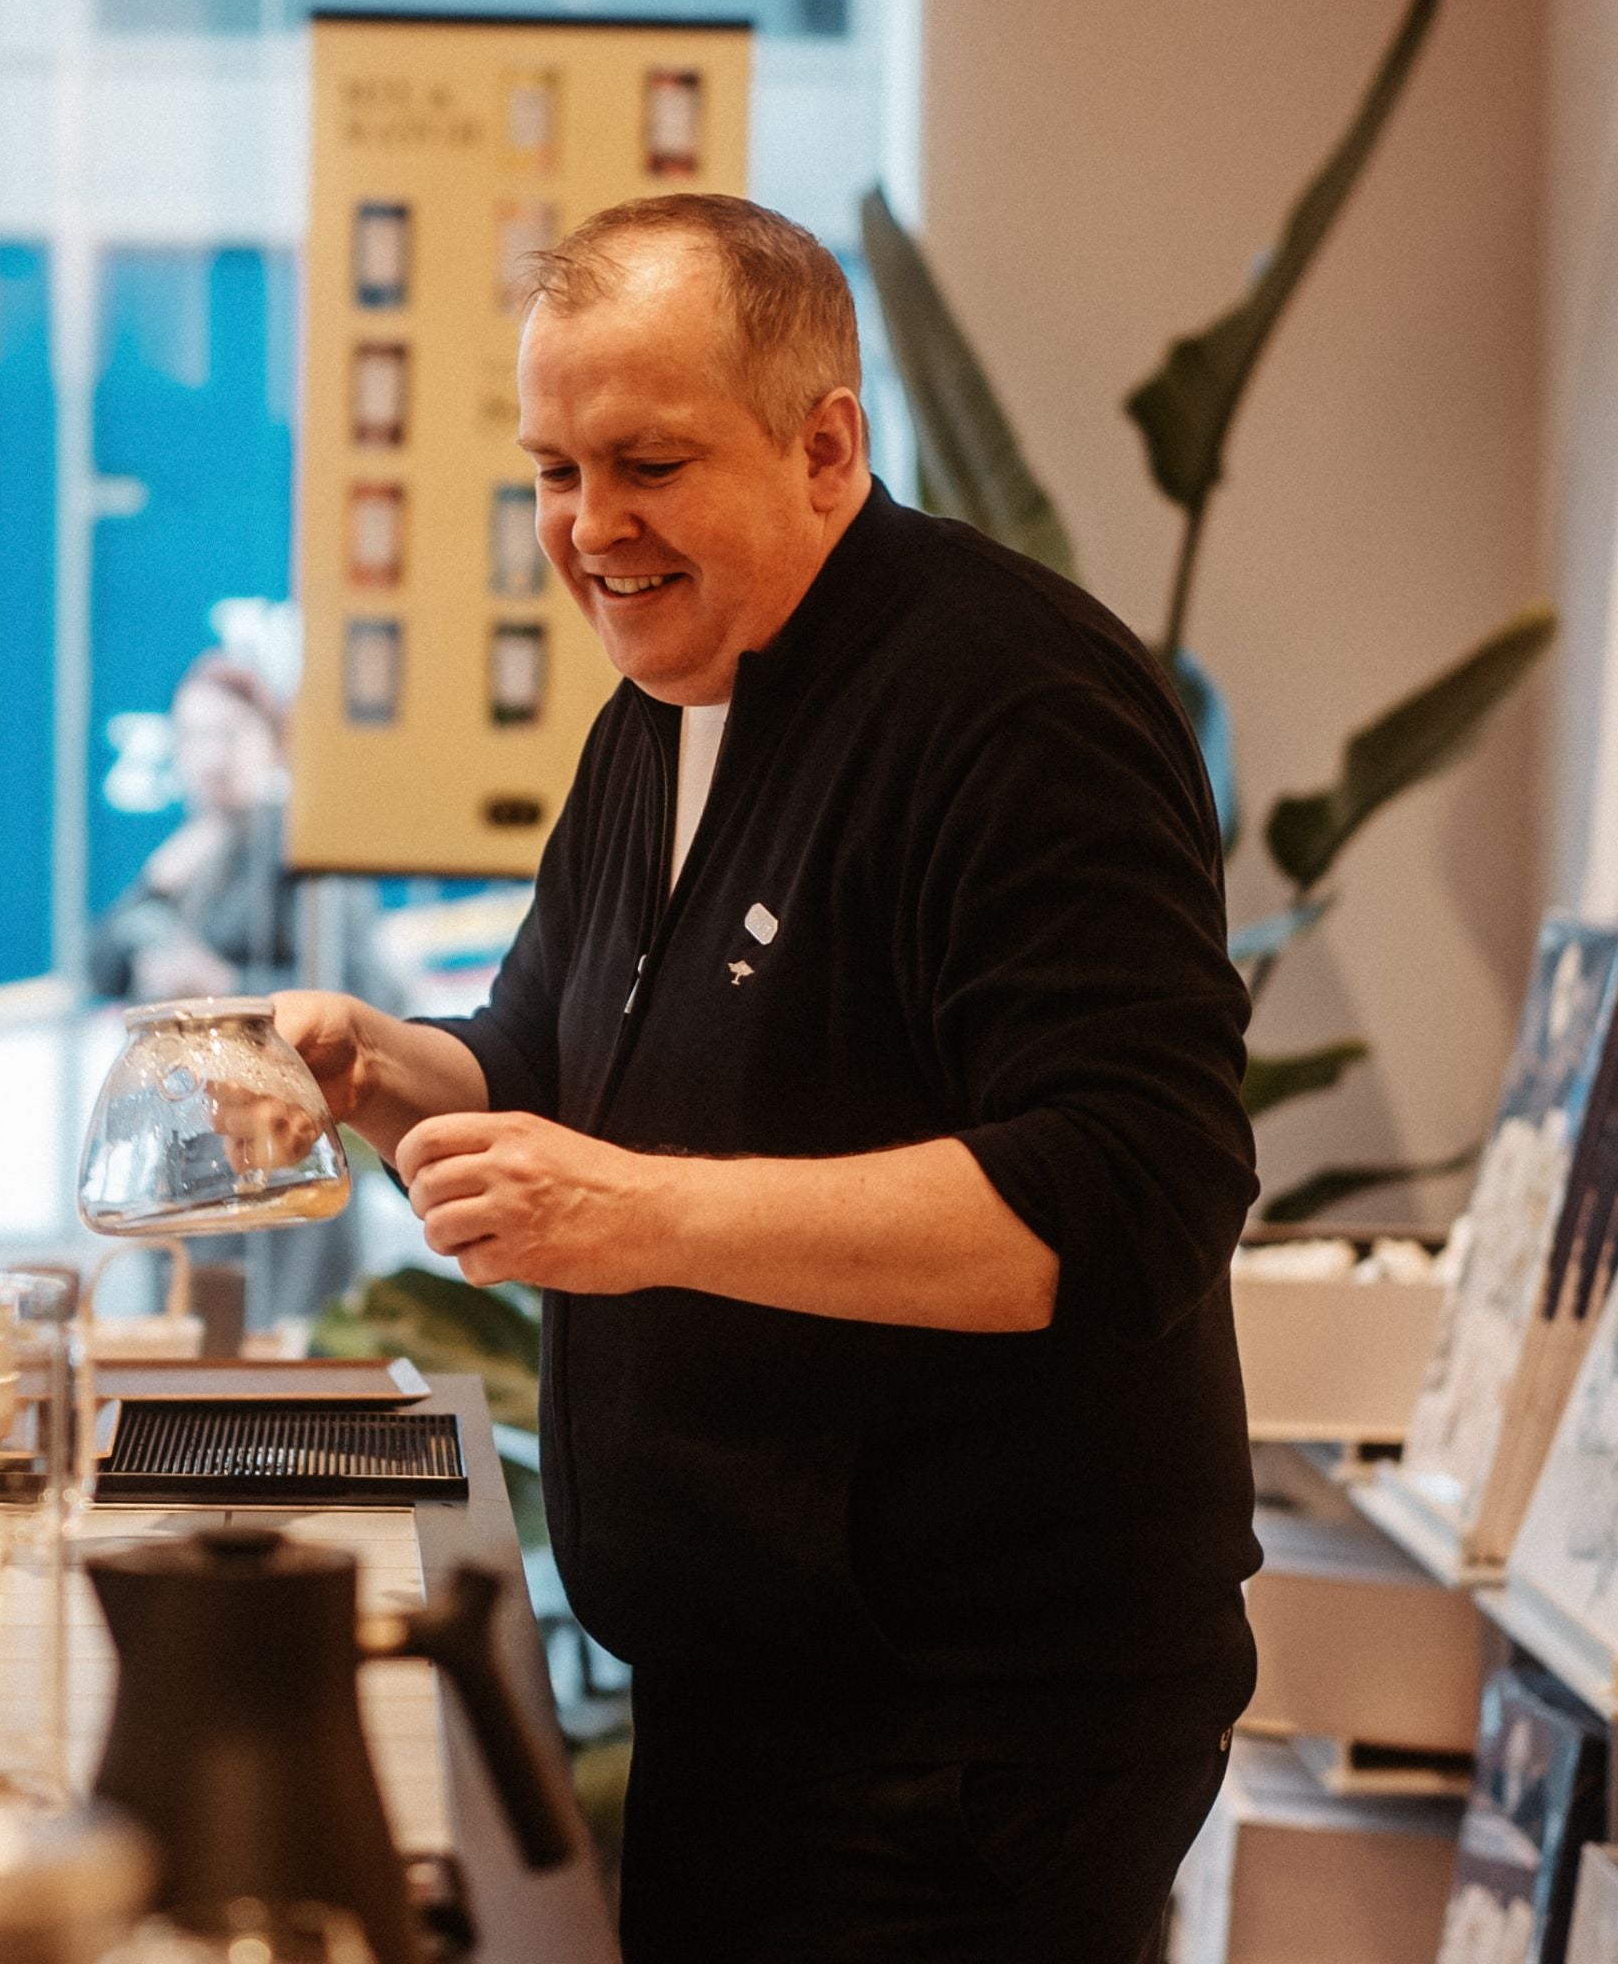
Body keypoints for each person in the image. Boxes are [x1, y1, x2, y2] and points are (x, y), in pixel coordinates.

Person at [275, 193, 1261, 1964]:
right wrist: (381, 1072)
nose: (591, 531)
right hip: (749, 1696)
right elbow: (550, 1065)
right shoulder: (660, 705)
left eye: (647, 463)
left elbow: (1126, 1199)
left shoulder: (1014, 706)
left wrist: (639, 1215)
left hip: (971, 1741)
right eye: (556, 470)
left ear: (827, 448)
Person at [89, 651, 296, 1005]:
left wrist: (227, 983)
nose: (213, 759)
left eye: (230, 734)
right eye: (194, 737)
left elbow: (360, 990)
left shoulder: (298, 846)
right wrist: (154, 885)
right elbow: (101, 970)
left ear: (274, 742)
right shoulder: (187, 854)